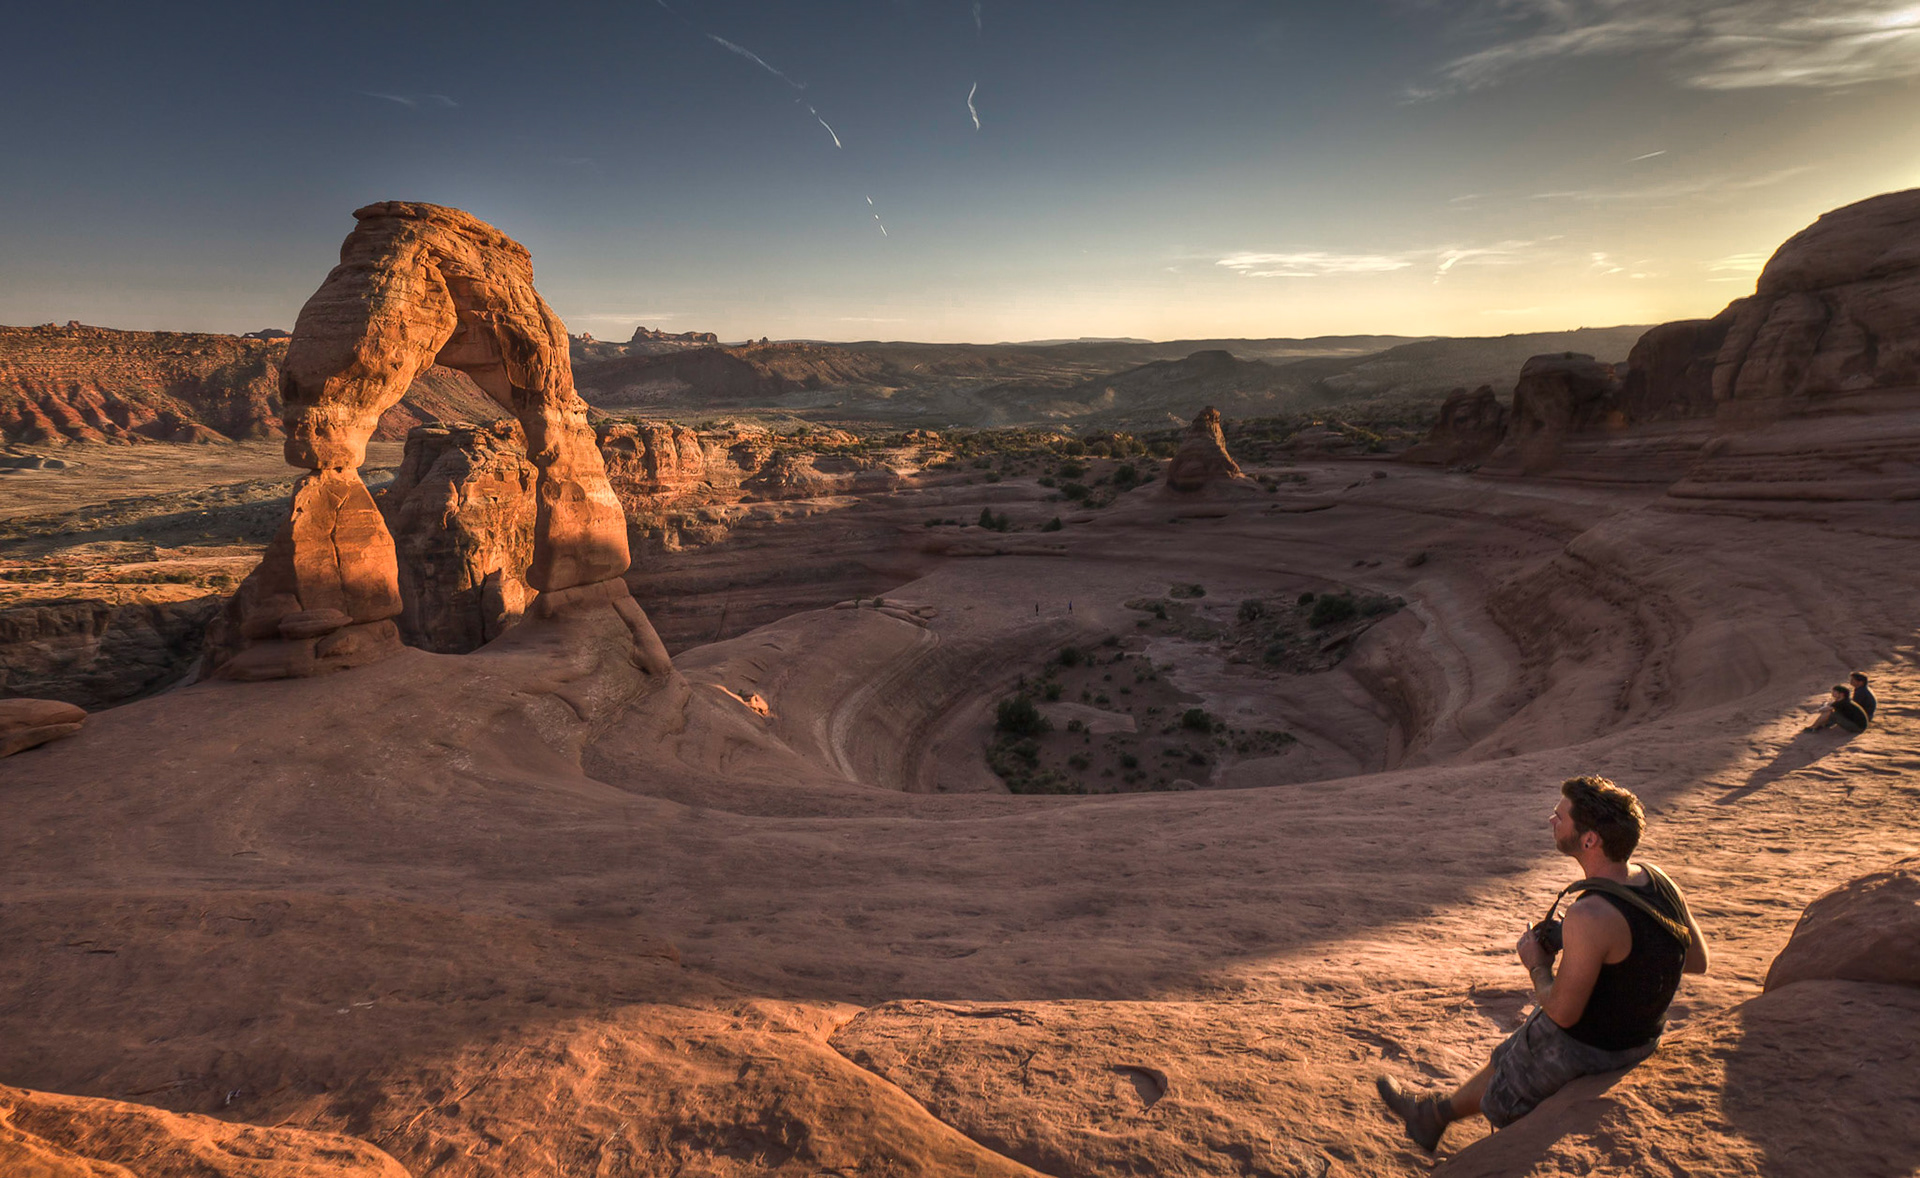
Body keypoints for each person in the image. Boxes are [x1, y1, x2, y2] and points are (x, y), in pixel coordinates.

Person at [1376, 776, 1709, 1153]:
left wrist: (1538, 965)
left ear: (1589, 840)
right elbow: (1696, 959)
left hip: (1590, 1049)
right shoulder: (1658, 880)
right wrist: (1603, 954)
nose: (1552, 821)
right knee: (1507, 1056)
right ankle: (1433, 1118)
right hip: (1642, 1037)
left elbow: (1563, 1014)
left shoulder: (1591, 914)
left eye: (1560, 816)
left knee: (1510, 1089)